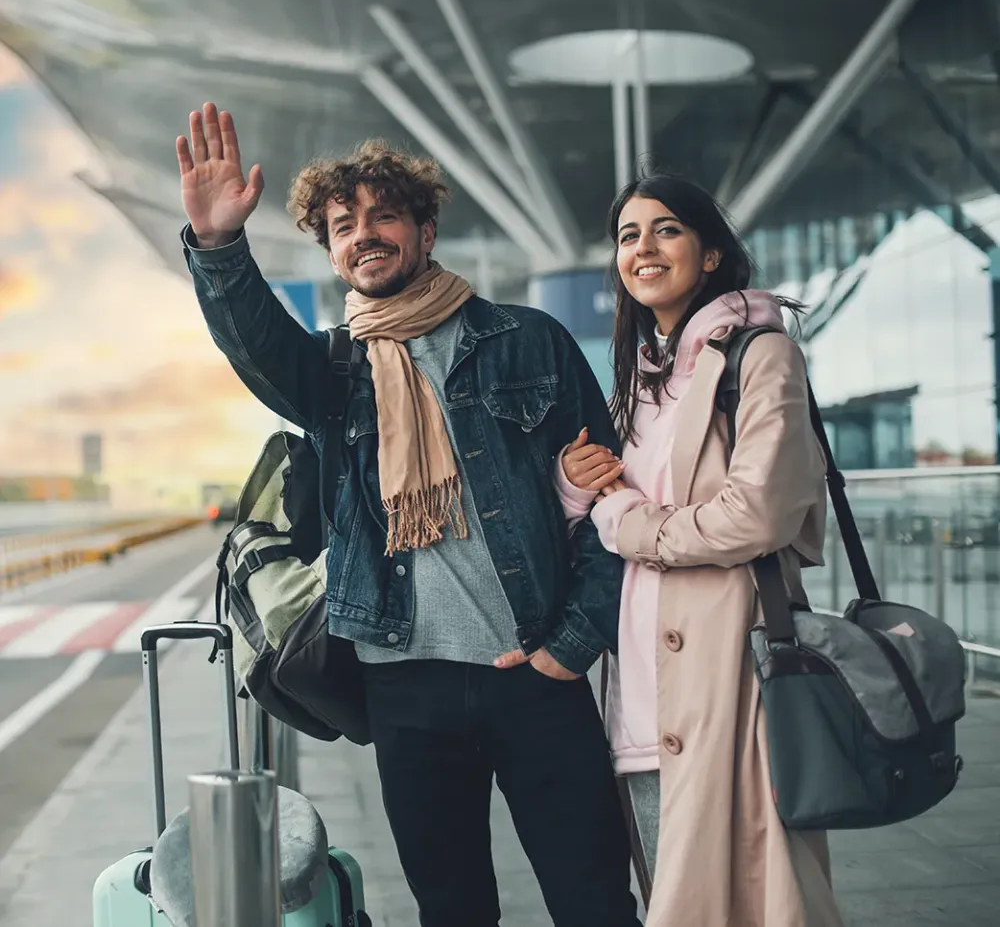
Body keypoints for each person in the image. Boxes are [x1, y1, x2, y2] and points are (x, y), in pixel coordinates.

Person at [175, 102, 641, 927]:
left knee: (595, 899)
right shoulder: (333, 372)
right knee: (453, 909)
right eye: (343, 224)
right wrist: (220, 247)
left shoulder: (529, 343)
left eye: (384, 214)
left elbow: (614, 510)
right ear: (330, 248)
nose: (364, 233)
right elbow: (255, 346)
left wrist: (572, 647)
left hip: (535, 672)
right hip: (406, 687)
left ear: (426, 230)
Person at [554, 173, 846, 927]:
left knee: (758, 897)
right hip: (643, 693)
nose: (642, 248)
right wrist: (574, 489)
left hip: (730, 676)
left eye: (666, 230)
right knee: (673, 898)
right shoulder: (639, 380)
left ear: (711, 253)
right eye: (627, 235)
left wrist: (628, 523)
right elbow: (607, 507)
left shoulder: (760, 354)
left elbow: (758, 514)